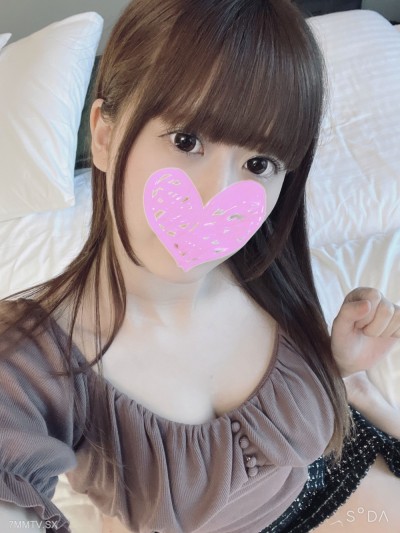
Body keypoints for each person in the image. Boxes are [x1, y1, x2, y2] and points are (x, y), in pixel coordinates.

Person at [0, 0, 399, 532]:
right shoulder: (33, 361)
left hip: (365, 455)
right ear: (104, 135)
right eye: (187, 141)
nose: (218, 195)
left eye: (259, 163)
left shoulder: (267, 268)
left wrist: (337, 367)